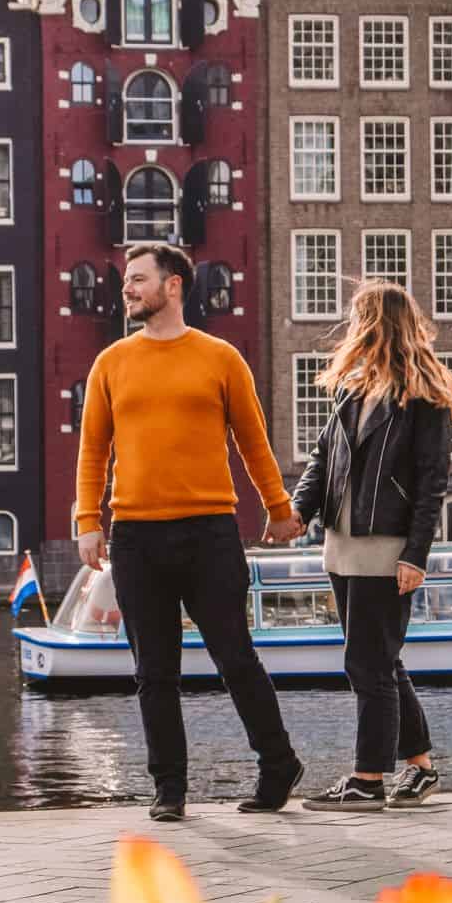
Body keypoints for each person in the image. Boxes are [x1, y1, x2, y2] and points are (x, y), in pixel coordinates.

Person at [74, 243, 305, 821]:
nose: (126, 288)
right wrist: (87, 520)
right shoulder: (111, 363)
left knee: (235, 657)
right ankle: (169, 789)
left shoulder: (221, 358)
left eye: (137, 279)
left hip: (209, 533)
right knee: (154, 672)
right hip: (135, 537)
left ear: (173, 285)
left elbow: (253, 441)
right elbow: (92, 451)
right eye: (126, 280)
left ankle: (279, 765)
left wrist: (278, 508)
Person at [290, 281, 452, 812]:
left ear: (376, 322)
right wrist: (299, 510)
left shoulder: (425, 395)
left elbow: (433, 481)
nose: (350, 327)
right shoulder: (351, 387)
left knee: (366, 665)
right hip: (342, 544)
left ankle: (367, 779)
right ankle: (422, 771)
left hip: (386, 547)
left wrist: (416, 555)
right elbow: (322, 460)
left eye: (357, 317)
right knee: (383, 663)